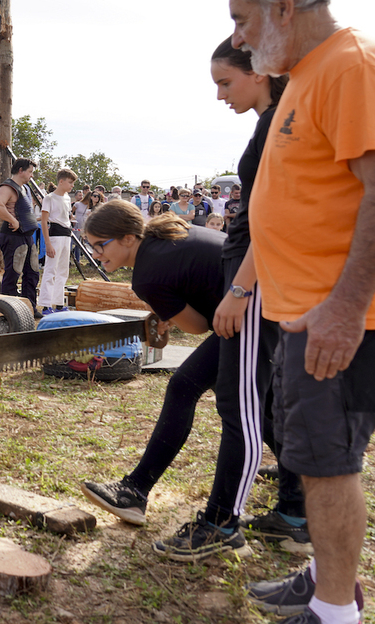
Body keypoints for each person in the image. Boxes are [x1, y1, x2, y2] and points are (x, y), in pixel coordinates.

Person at [231, 1, 375, 622]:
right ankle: (326, 577)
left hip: (336, 317)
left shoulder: (350, 64)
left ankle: (334, 611)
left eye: (243, 18)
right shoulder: (308, 72)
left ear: (285, 8)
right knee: (315, 462)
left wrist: (346, 307)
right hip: (305, 310)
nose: (238, 36)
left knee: (330, 463)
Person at [80, 203, 259, 562]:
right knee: (226, 397)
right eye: (91, 246)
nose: (96, 254)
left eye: (101, 244)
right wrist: (169, 308)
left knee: (226, 404)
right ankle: (296, 488)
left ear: (128, 237)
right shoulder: (170, 234)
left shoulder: (147, 273)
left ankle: (142, 492)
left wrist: (169, 311)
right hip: (256, 305)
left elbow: (198, 326)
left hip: (253, 313)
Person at [208, 36, 308, 555]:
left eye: (226, 82)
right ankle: (293, 510)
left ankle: (223, 523)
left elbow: (275, 217)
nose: (220, 95)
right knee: (263, 397)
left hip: (254, 273)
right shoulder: (271, 120)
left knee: (240, 401)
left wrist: (240, 288)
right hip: (252, 269)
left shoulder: (278, 123)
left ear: (259, 73)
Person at [0, 158, 40, 314]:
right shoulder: (7, 187)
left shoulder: (24, 188)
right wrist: (12, 220)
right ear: (20, 170)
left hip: (27, 235)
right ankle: (9, 311)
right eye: (30, 172)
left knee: (32, 272)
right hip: (13, 236)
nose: (31, 175)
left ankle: (29, 307)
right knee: (13, 272)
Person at [37, 169, 77, 315]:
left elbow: (66, 217)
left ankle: (59, 303)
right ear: (61, 181)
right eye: (70, 182)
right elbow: (44, 221)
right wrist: (47, 243)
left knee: (63, 271)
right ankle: (46, 305)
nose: (72, 186)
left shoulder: (67, 198)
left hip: (67, 236)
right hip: (55, 236)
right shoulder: (49, 198)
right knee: (50, 270)